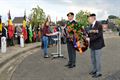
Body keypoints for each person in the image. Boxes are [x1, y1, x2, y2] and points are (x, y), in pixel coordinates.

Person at [87, 13, 105, 78]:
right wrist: (86, 36)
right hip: (92, 45)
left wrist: (89, 39)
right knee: (93, 59)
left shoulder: (99, 25)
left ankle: (98, 72)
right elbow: (89, 33)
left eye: (89, 18)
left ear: (93, 18)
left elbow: (98, 35)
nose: (88, 20)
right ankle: (94, 70)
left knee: (97, 59)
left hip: (98, 45)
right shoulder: (90, 25)